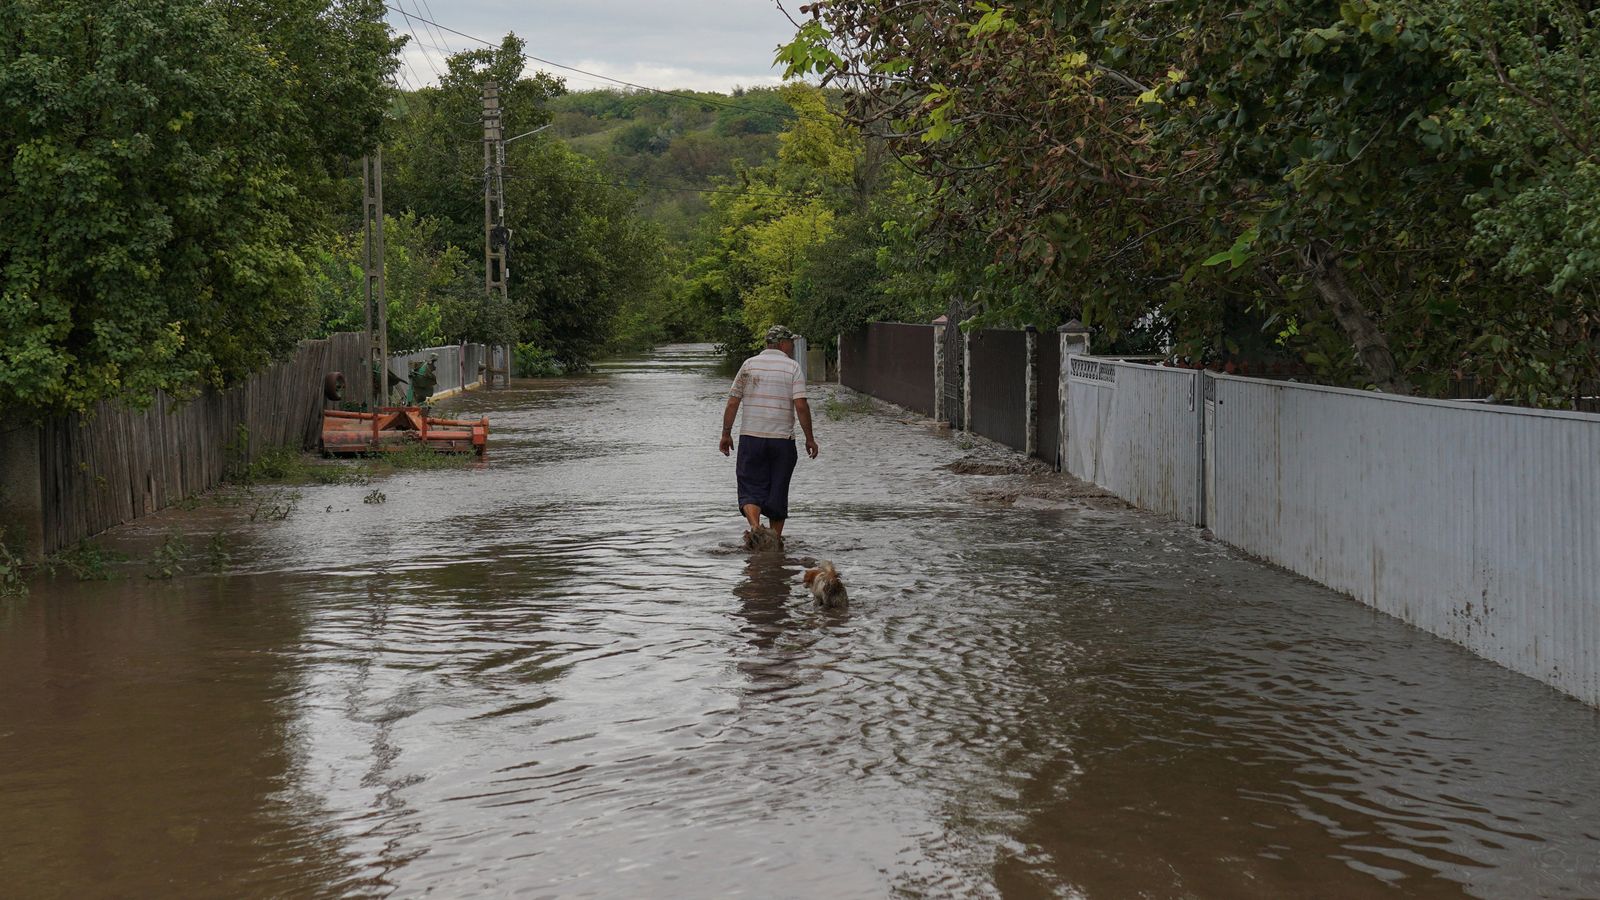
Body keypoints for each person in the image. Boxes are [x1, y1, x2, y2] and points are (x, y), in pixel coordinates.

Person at [719, 325, 819, 542]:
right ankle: (773, 540)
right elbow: (801, 405)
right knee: (778, 491)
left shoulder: (749, 365)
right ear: (783, 344)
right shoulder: (792, 367)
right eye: (791, 342)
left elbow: (733, 402)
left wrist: (726, 434)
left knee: (749, 487)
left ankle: (755, 528)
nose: (792, 346)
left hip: (751, 438)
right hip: (782, 441)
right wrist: (809, 438)